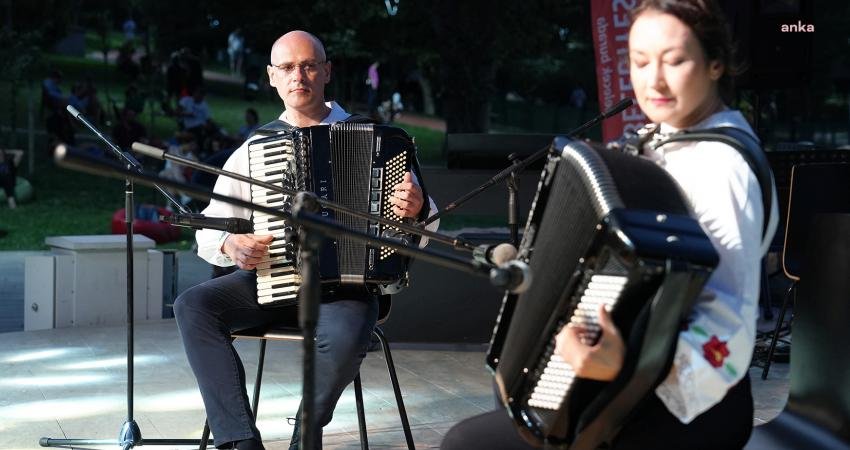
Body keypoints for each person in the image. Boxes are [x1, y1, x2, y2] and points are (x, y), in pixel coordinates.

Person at [440, 1, 778, 449]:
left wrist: (623, 363)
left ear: (715, 64)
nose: (654, 81)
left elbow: (728, 327)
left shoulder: (721, 169)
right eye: (640, 62)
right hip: (641, 382)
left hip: (689, 406)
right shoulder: (663, 141)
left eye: (674, 61)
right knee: (510, 404)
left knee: (467, 443)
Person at [173, 30, 439, 450]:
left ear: (326, 72)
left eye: (309, 65)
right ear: (272, 77)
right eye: (287, 67)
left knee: (347, 337)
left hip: (347, 288)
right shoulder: (256, 147)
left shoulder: (380, 140)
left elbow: (425, 229)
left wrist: (417, 210)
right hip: (273, 278)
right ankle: (240, 442)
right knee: (193, 306)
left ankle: (305, 433)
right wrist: (229, 245)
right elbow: (210, 225)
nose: (298, 76)